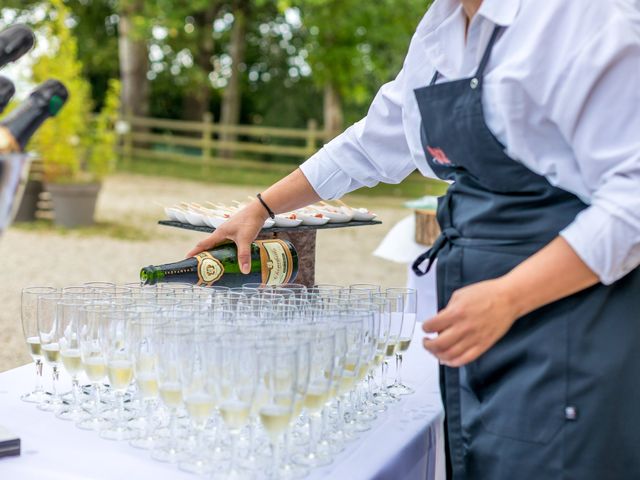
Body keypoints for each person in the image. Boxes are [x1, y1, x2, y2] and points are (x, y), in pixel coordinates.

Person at [187, 0, 640, 478]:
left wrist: (510, 296)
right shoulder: (441, 26)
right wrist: (262, 207)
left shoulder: (586, 17)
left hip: (572, 317)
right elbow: (374, 141)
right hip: (479, 311)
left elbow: (632, 200)